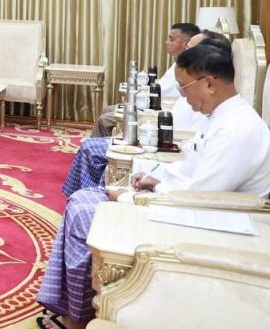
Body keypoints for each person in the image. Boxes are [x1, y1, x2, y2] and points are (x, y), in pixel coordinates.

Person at [37, 45, 270, 329]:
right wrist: (157, 179)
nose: (183, 96)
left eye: (184, 88)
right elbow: (193, 169)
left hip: (208, 223)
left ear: (209, 84)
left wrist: (129, 198)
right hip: (190, 205)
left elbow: (199, 197)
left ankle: (77, 317)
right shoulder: (222, 117)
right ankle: (73, 309)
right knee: (82, 199)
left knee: (84, 212)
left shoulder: (236, 130)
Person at [62, 26, 225, 196]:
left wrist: (151, 184)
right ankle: (87, 192)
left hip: (163, 149)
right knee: (102, 129)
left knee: (100, 134)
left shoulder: (221, 119)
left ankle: (92, 192)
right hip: (162, 143)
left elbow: (200, 188)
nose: (185, 51)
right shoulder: (194, 85)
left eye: (189, 48)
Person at [92, 22, 201, 137]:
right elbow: (161, 88)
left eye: (171, 39)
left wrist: (139, 94)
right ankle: (101, 143)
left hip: (157, 112)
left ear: (185, 43)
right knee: (107, 110)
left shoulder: (188, 71)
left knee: (104, 120)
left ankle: (99, 144)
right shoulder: (178, 64)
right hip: (155, 108)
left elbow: (163, 94)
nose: (166, 42)